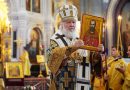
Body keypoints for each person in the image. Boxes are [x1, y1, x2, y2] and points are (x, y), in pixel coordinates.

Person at [47, 4, 104, 90]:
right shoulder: (55, 39)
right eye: (68, 22)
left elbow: (90, 59)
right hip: (63, 83)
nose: (72, 25)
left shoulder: (80, 39)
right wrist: (73, 47)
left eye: (73, 22)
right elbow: (52, 62)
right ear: (62, 23)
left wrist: (97, 52)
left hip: (82, 84)